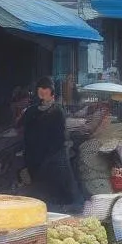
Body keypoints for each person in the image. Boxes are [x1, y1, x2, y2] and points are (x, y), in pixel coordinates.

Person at [22, 77, 82, 212]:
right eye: (40, 88)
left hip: (54, 157)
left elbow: (59, 137)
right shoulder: (31, 111)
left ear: (52, 91)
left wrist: (50, 155)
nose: (43, 91)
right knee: (40, 196)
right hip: (35, 157)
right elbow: (26, 135)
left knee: (60, 193)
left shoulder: (58, 111)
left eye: (46, 88)